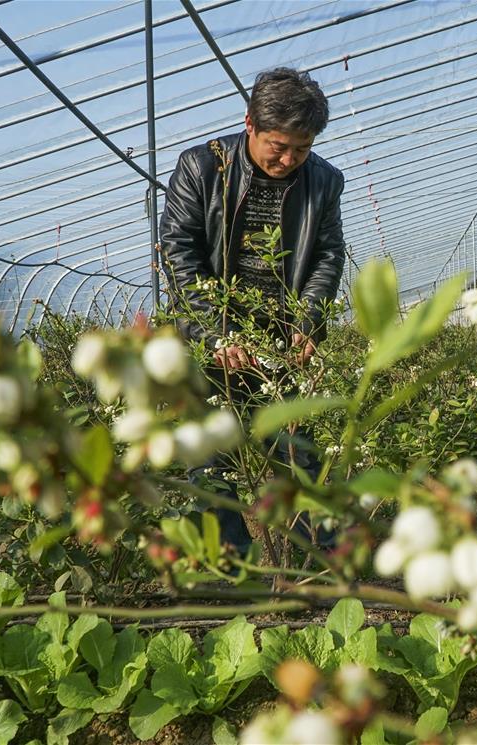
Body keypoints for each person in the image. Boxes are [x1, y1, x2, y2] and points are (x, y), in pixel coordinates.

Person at [159, 67, 346, 554]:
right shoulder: (202, 168)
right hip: (211, 337)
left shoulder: (324, 182)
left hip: (280, 340)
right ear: (250, 125)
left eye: (301, 149)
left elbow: (327, 256)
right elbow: (179, 254)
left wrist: (307, 324)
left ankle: (320, 560)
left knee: (294, 449)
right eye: (278, 146)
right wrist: (218, 333)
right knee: (212, 456)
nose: (288, 159)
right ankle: (232, 568)